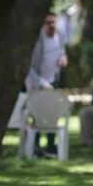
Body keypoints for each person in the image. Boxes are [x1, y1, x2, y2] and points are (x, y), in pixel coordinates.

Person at [25, 12, 68, 156]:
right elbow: (29, 67)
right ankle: (35, 147)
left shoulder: (60, 36)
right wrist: (41, 83)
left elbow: (62, 51)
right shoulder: (37, 40)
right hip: (37, 83)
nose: (51, 26)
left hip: (53, 81)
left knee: (53, 114)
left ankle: (51, 146)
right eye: (48, 23)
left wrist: (62, 58)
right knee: (36, 114)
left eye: (53, 22)